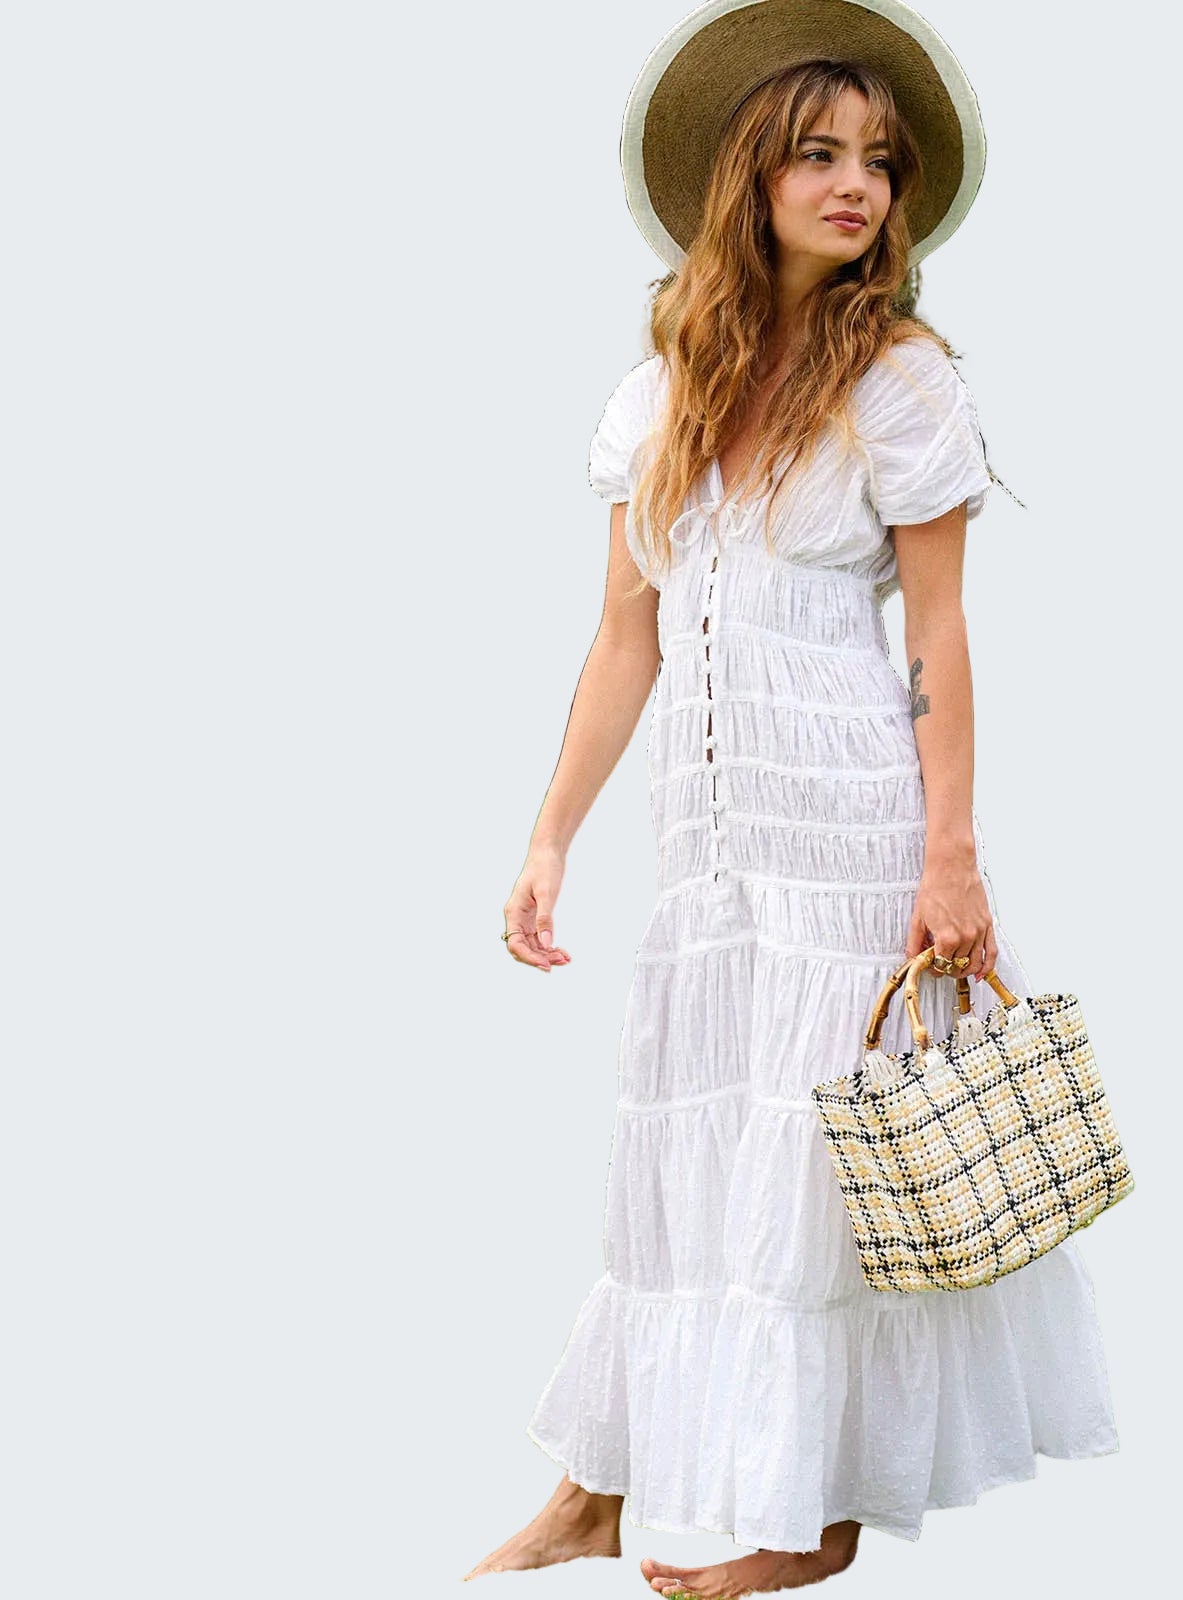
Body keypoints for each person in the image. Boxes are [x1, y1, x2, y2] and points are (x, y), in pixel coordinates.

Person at [466, 4, 1119, 1592]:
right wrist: (551, 831)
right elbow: (622, 637)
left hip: (850, 829)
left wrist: (949, 858)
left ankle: (806, 1525)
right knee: (677, 1154)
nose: (856, 188)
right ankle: (599, 1485)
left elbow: (942, 637)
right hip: (710, 845)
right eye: (819, 156)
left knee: (819, 1167)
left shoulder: (899, 381)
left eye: (880, 166)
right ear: (745, 175)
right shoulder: (660, 394)